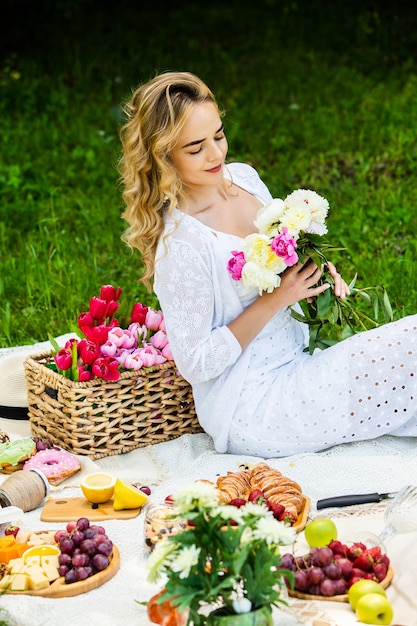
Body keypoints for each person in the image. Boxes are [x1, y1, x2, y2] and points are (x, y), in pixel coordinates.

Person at [119, 71, 417, 458]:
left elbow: (281, 256)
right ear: (163, 157)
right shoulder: (182, 244)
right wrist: (276, 301)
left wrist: (313, 273)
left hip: (303, 360)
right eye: (195, 148)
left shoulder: (244, 178)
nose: (216, 154)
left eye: (219, 135)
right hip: (254, 403)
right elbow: (196, 363)